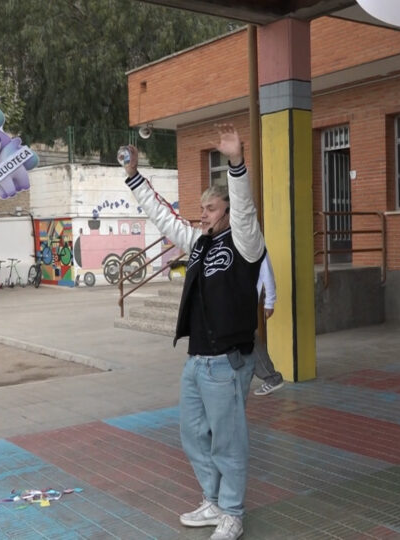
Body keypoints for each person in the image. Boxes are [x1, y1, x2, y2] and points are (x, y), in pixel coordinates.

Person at [121, 124, 264, 540]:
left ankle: (232, 512)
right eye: (202, 208)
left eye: (211, 209)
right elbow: (164, 217)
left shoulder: (246, 243)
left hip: (226, 361)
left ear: (228, 212)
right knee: (192, 435)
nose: (203, 215)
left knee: (227, 442)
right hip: (196, 360)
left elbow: (244, 208)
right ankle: (213, 501)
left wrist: (236, 163)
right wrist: (134, 175)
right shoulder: (199, 242)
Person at [253, 255, 285, 396]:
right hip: (229, 301)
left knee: (246, 339)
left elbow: (266, 272)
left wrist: (270, 302)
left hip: (243, 301)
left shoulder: (254, 244)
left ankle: (272, 377)